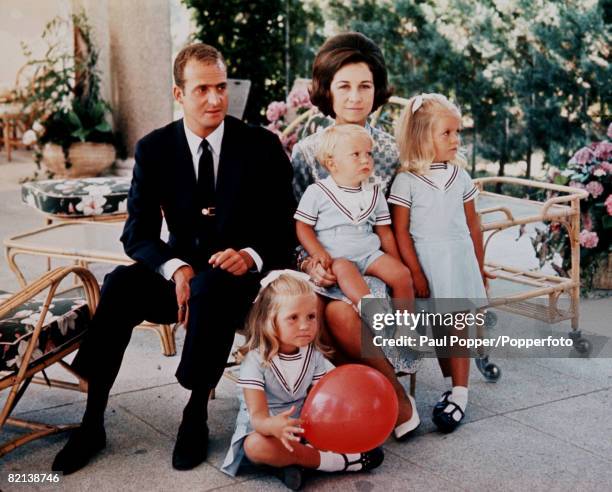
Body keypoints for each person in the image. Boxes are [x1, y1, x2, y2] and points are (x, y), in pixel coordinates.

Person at [52, 43, 296, 474]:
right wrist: (175, 267)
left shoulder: (261, 145)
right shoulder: (154, 149)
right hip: (180, 276)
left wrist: (251, 254)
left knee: (213, 287)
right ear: (179, 94)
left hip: (238, 281)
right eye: (202, 89)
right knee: (121, 285)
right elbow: (137, 234)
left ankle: (194, 414)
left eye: (221, 87)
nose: (216, 99)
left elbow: (284, 226)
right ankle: (92, 423)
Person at [291, 32, 420, 441]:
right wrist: (310, 263)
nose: (354, 97)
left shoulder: (389, 150)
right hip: (323, 265)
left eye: (364, 86)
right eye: (343, 86)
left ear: (376, 90)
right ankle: (350, 398)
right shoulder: (307, 152)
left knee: (346, 311)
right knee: (314, 309)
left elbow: (397, 223)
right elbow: (295, 224)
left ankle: (389, 394)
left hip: (372, 262)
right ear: (327, 90)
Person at [221, 271, 384, 489]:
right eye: (293, 318)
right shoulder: (255, 361)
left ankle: (293, 464)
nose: (305, 325)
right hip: (267, 430)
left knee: (331, 431)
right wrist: (274, 426)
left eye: (311, 316)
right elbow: (258, 417)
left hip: (305, 427)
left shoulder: (314, 354)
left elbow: (322, 398)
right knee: (255, 446)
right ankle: (337, 462)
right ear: (270, 321)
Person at [389, 93, 492, 432]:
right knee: (439, 327)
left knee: (458, 324)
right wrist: (415, 271)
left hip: (457, 258)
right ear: (422, 137)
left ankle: (460, 393)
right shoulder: (407, 180)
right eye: (446, 133)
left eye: (457, 132)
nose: (455, 140)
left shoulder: (460, 176)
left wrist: (478, 266)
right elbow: (401, 231)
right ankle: (442, 388)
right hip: (428, 261)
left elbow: (473, 224)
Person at [295, 124, 413, 311]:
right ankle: (371, 310)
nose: (365, 160)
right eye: (356, 155)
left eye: (369, 154)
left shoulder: (374, 193)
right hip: (336, 257)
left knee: (402, 275)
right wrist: (317, 252)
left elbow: (384, 232)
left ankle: (406, 327)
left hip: (369, 254)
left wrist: (396, 261)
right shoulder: (318, 192)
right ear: (332, 163)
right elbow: (303, 226)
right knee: (343, 268)